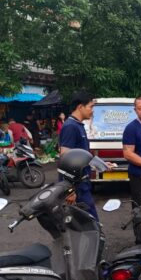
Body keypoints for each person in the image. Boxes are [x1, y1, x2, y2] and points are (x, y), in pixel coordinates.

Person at [59, 92, 100, 220]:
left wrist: (101, 164)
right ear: (80, 107)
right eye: (90, 107)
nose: (92, 111)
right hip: (76, 187)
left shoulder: (78, 125)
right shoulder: (70, 127)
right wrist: (69, 190)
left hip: (82, 184)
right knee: (89, 222)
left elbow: (82, 155)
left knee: (86, 223)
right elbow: (65, 159)